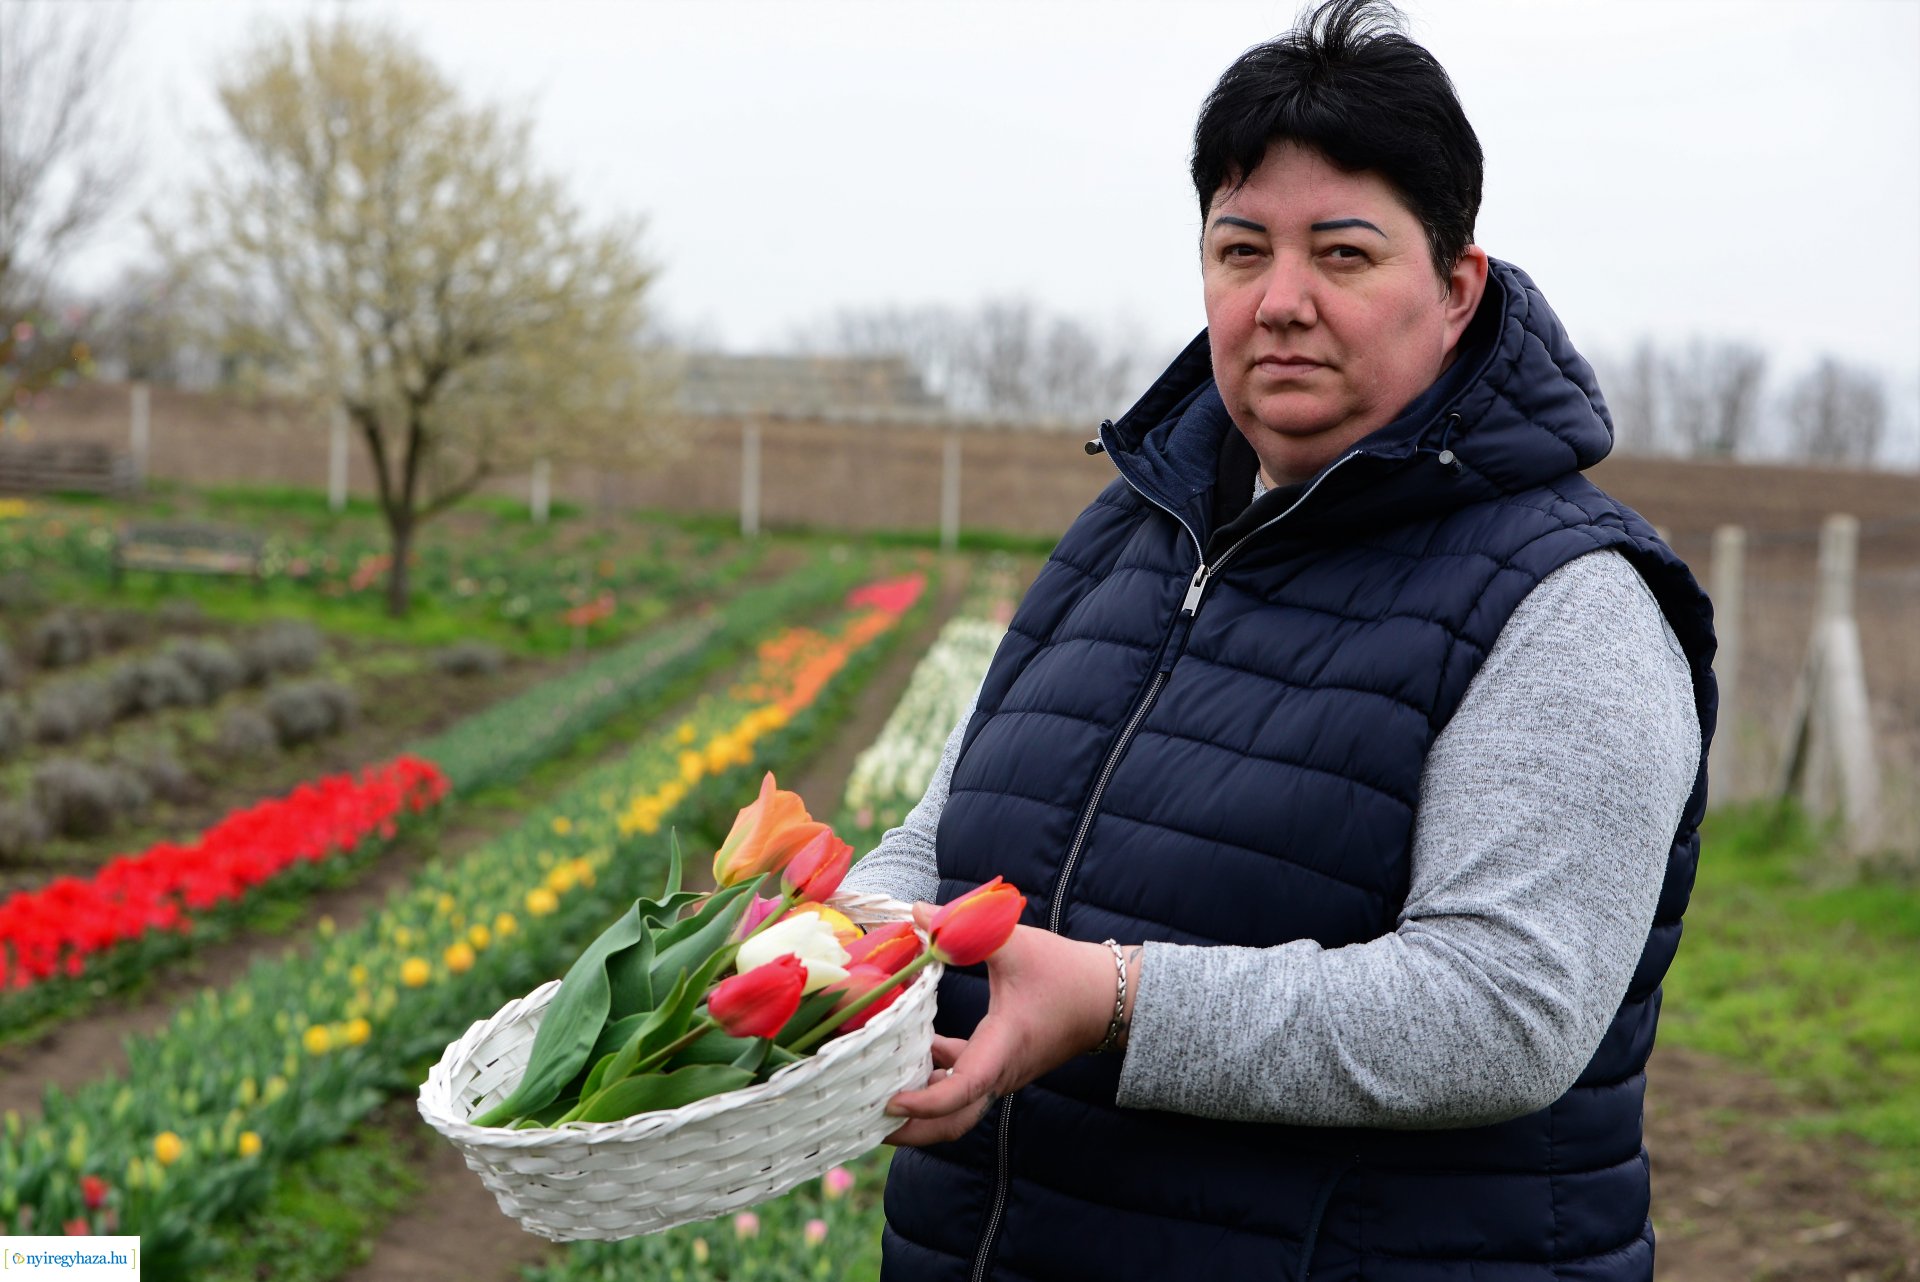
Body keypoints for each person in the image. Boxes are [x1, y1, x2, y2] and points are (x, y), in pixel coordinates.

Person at [839, 3, 1716, 1279]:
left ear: (1457, 284)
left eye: (1344, 254)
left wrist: (1121, 1004)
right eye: (1241, 249)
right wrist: (853, 937)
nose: (1283, 300)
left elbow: (1504, 1007)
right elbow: (947, 824)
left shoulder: (1568, 598)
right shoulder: (1127, 537)